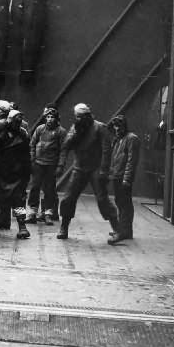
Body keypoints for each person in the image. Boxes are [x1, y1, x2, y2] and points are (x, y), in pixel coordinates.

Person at [57, 103, 120, 241]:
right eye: (76, 116)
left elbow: (106, 151)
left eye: (80, 116)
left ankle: (117, 229)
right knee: (68, 198)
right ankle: (64, 227)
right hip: (79, 167)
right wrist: (61, 165)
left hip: (95, 168)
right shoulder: (76, 128)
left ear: (87, 116)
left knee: (102, 199)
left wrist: (104, 171)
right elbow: (65, 147)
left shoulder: (100, 127)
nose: (77, 119)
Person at [0, 108, 33, 238]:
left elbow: (27, 156)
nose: (17, 124)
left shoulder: (23, 134)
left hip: (15, 172)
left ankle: (22, 227)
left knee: (18, 200)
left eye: (19, 122)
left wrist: (26, 173)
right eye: (15, 122)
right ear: (9, 121)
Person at [26, 105, 66, 224]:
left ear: (56, 118)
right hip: (38, 163)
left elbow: (63, 150)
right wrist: (32, 160)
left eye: (52, 117)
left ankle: (48, 213)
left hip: (51, 165)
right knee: (34, 187)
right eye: (48, 117)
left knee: (49, 189)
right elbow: (32, 145)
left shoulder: (61, 131)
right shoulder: (40, 129)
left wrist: (60, 166)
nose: (49, 119)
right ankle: (32, 212)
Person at [107, 114, 141, 244]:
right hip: (117, 175)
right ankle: (124, 229)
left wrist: (127, 179)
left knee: (124, 203)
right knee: (120, 201)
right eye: (115, 126)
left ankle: (124, 230)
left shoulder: (131, 139)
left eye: (119, 126)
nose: (116, 129)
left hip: (123, 177)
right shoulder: (118, 139)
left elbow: (131, 161)